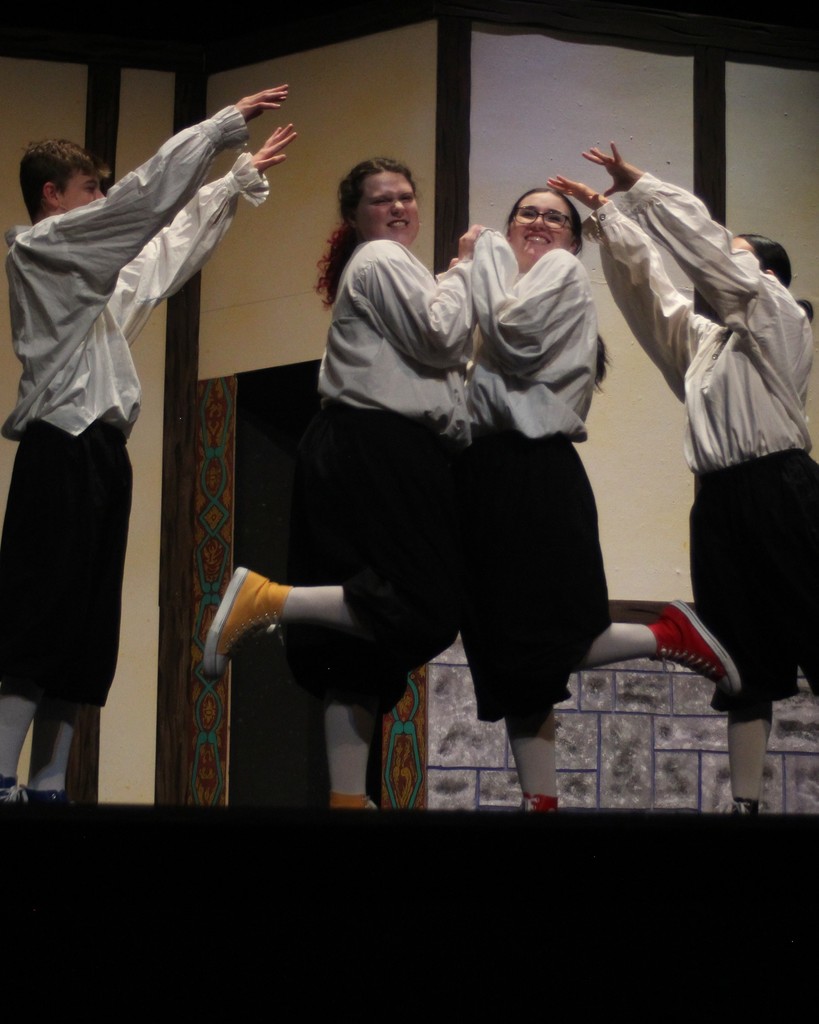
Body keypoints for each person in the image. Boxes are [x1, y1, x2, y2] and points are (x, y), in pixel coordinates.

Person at [0, 86, 297, 804]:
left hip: (101, 455)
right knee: (36, 619)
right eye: (88, 189)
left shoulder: (91, 278)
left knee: (86, 627)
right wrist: (219, 130)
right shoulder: (40, 248)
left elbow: (160, 256)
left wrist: (231, 181)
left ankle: (48, 784)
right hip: (58, 451)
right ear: (52, 195)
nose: (101, 199)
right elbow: (139, 204)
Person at [548, 143, 818, 814]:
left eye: (731, 257)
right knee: (739, 658)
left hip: (783, 493)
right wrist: (610, 218)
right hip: (719, 504)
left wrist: (644, 188)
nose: (709, 270)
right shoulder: (704, 349)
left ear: (766, 274)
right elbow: (650, 292)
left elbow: (711, 258)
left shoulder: (782, 321)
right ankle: (745, 805)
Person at [204, 157, 481, 809]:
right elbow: (444, 337)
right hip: (375, 444)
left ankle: (348, 800)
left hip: (361, 444)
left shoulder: (397, 271)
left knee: (358, 655)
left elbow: (432, 342)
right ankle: (269, 600)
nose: (398, 207)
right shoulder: (380, 261)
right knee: (426, 603)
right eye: (381, 200)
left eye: (405, 196)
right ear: (354, 217)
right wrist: (467, 267)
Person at [454, 187, 741, 812]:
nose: (538, 223)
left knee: (537, 638)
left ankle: (669, 630)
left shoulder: (554, 272)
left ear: (573, 240)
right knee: (508, 648)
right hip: (487, 472)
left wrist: (481, 259)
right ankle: (542, 800)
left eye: (554, 217)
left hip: (532, 472)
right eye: (526, 212)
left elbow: (511, 333)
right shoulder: (500, 282)